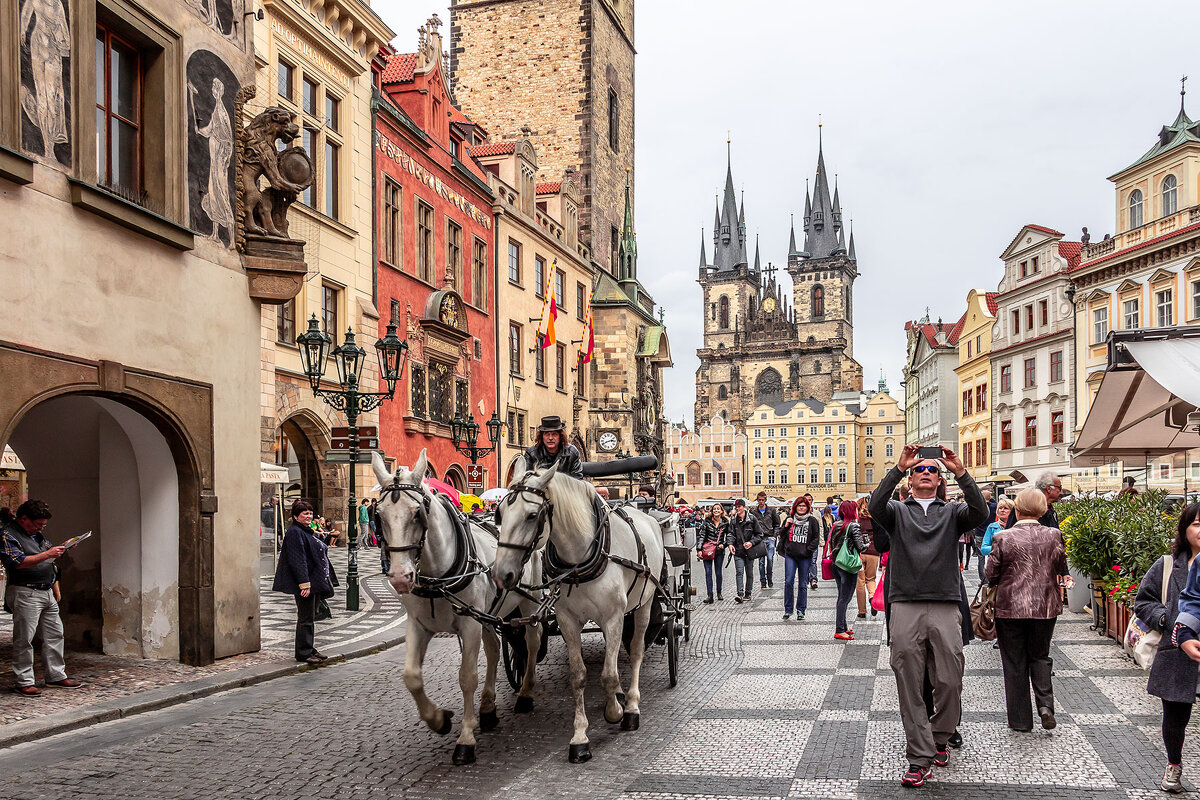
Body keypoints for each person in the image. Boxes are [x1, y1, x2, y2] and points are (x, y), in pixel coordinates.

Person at [868, 445, 987, 788]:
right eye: (919, 469)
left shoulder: (952, 513)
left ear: (939, 479)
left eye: (932, 470)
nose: (925, 472)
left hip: (945, 602)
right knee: (907, 680)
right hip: (905, 601)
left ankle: (940, 735)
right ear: (911, 477)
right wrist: (897, 467)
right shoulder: (897, 511)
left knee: (950, 678)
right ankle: (920, 758)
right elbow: (874, 507)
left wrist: (961, 471)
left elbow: (981, 510)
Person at [984, 488, 1069, 733]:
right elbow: (1061, 566)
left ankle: (1021, 721)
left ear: (1017, 510)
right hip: (1045, 607)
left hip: (1010, 608)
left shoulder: (1004, 537)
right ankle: (1045, 706)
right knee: (1040, 655)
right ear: (1042, 510)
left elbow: (991, 574)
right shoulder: (1054, 535)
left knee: (1014, 662)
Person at [1135, 502, 1200, 793]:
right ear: (1184, 529)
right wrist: (1165, 619)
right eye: (1197, 523)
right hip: (1176, 653)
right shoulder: (1168, 565)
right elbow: (1143, 601)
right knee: (1175, 718)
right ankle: (1174, 764)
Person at [0, 500, 82, 695]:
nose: (40, 528)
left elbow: (48, 557)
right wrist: (47, 554)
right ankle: (24, 680)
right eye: (37, 524)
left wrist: (60, 551)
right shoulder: (7, 535)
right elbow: (17, 562)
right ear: (23, 518)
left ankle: (56, 675)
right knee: (24, 639)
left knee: (55, 634)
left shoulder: (36, 535)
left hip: (46, 591)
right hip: (25, 591)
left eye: (43, 525)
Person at [273, 499, 336, 664]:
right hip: (306, 583)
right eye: (304, 513)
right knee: (305, 618)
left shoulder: (306, 530)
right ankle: (303, 652)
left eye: (310, 513)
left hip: (313, 581)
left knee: (310, 617)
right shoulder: (295, 532)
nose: (309, 516)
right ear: (295, 516)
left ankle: (309, 648)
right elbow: (297, 559)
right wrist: (304, 584)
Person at [828, 500, 868, 640]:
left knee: (841, 596)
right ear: (852, 511)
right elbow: (860, 547)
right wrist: (867, 542)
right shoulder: (854, 525)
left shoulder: (835, 525)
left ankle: (843, 626)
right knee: (845, 598)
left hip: (836, 563)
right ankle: (839, 629)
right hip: (848, 566)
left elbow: (832, 544)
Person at [781, 496, 820, 620]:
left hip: (805, 556)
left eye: (804, 506)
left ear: (807, 507)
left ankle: (801, 610)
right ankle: (788, 609)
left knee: (803, 584)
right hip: (791, 555)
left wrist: (808, 550)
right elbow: (780, 534)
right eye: (799, 506)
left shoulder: (812, 521)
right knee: (788, 581)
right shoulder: (790, 519)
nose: (801, 508)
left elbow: (816, 538)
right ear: (795, 507)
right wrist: (786, 526)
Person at [728, 499, 766, 603]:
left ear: (744, 507)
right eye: (736, 507)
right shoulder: (733, 520)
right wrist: (730, 544)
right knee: (739, 572)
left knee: (749, 572)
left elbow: (760, 535)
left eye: (739, 507)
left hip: (750, 551)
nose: (737, 508)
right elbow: (731, 534)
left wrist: (751, 543)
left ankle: (748, 593)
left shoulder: (752, 519)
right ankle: (740, 594)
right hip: (738, 550)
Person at [696, 504, 728, 603]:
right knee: (708, 573)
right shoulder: (707, 521)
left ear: (722, 511)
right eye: (714, 509)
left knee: (718, 572)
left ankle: (719, 591)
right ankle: (710, 595)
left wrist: (724, 544)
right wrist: (699, 549)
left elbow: (730, 536)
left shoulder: (725, 523)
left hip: (719, 550)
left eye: (718, 509)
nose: (716, 510)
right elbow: (702, 535)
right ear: (712, 511)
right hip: (708, 551)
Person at [856, 495, 880, 619]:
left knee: (860, 582)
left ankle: (862, 611)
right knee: (871, 579)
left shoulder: (857, 520)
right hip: (873, 552)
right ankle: (872, 598)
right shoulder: (875, 519)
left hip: (860, 553)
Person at [752, 491, 780, 589]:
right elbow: (751, 526)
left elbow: (777, 524)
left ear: (765, 500)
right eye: (759, 500)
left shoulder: (771, 511)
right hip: (759, 539)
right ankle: (763, 581)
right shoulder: (754, 512)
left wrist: (775, 535)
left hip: (770, 537)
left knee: (770, 559)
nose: (761, 502)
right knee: (761, 562)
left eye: (762, 500)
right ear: (757, 500)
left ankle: (770, 578)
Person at [971, 489, 996, 583]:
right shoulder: (994, 506)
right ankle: (991, 576)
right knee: (993, 555)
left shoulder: (979, 507)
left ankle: (983, 579)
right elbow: (994, 502)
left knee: (981, 557)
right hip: (991, 533)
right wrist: (989, 498)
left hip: (980, 534)